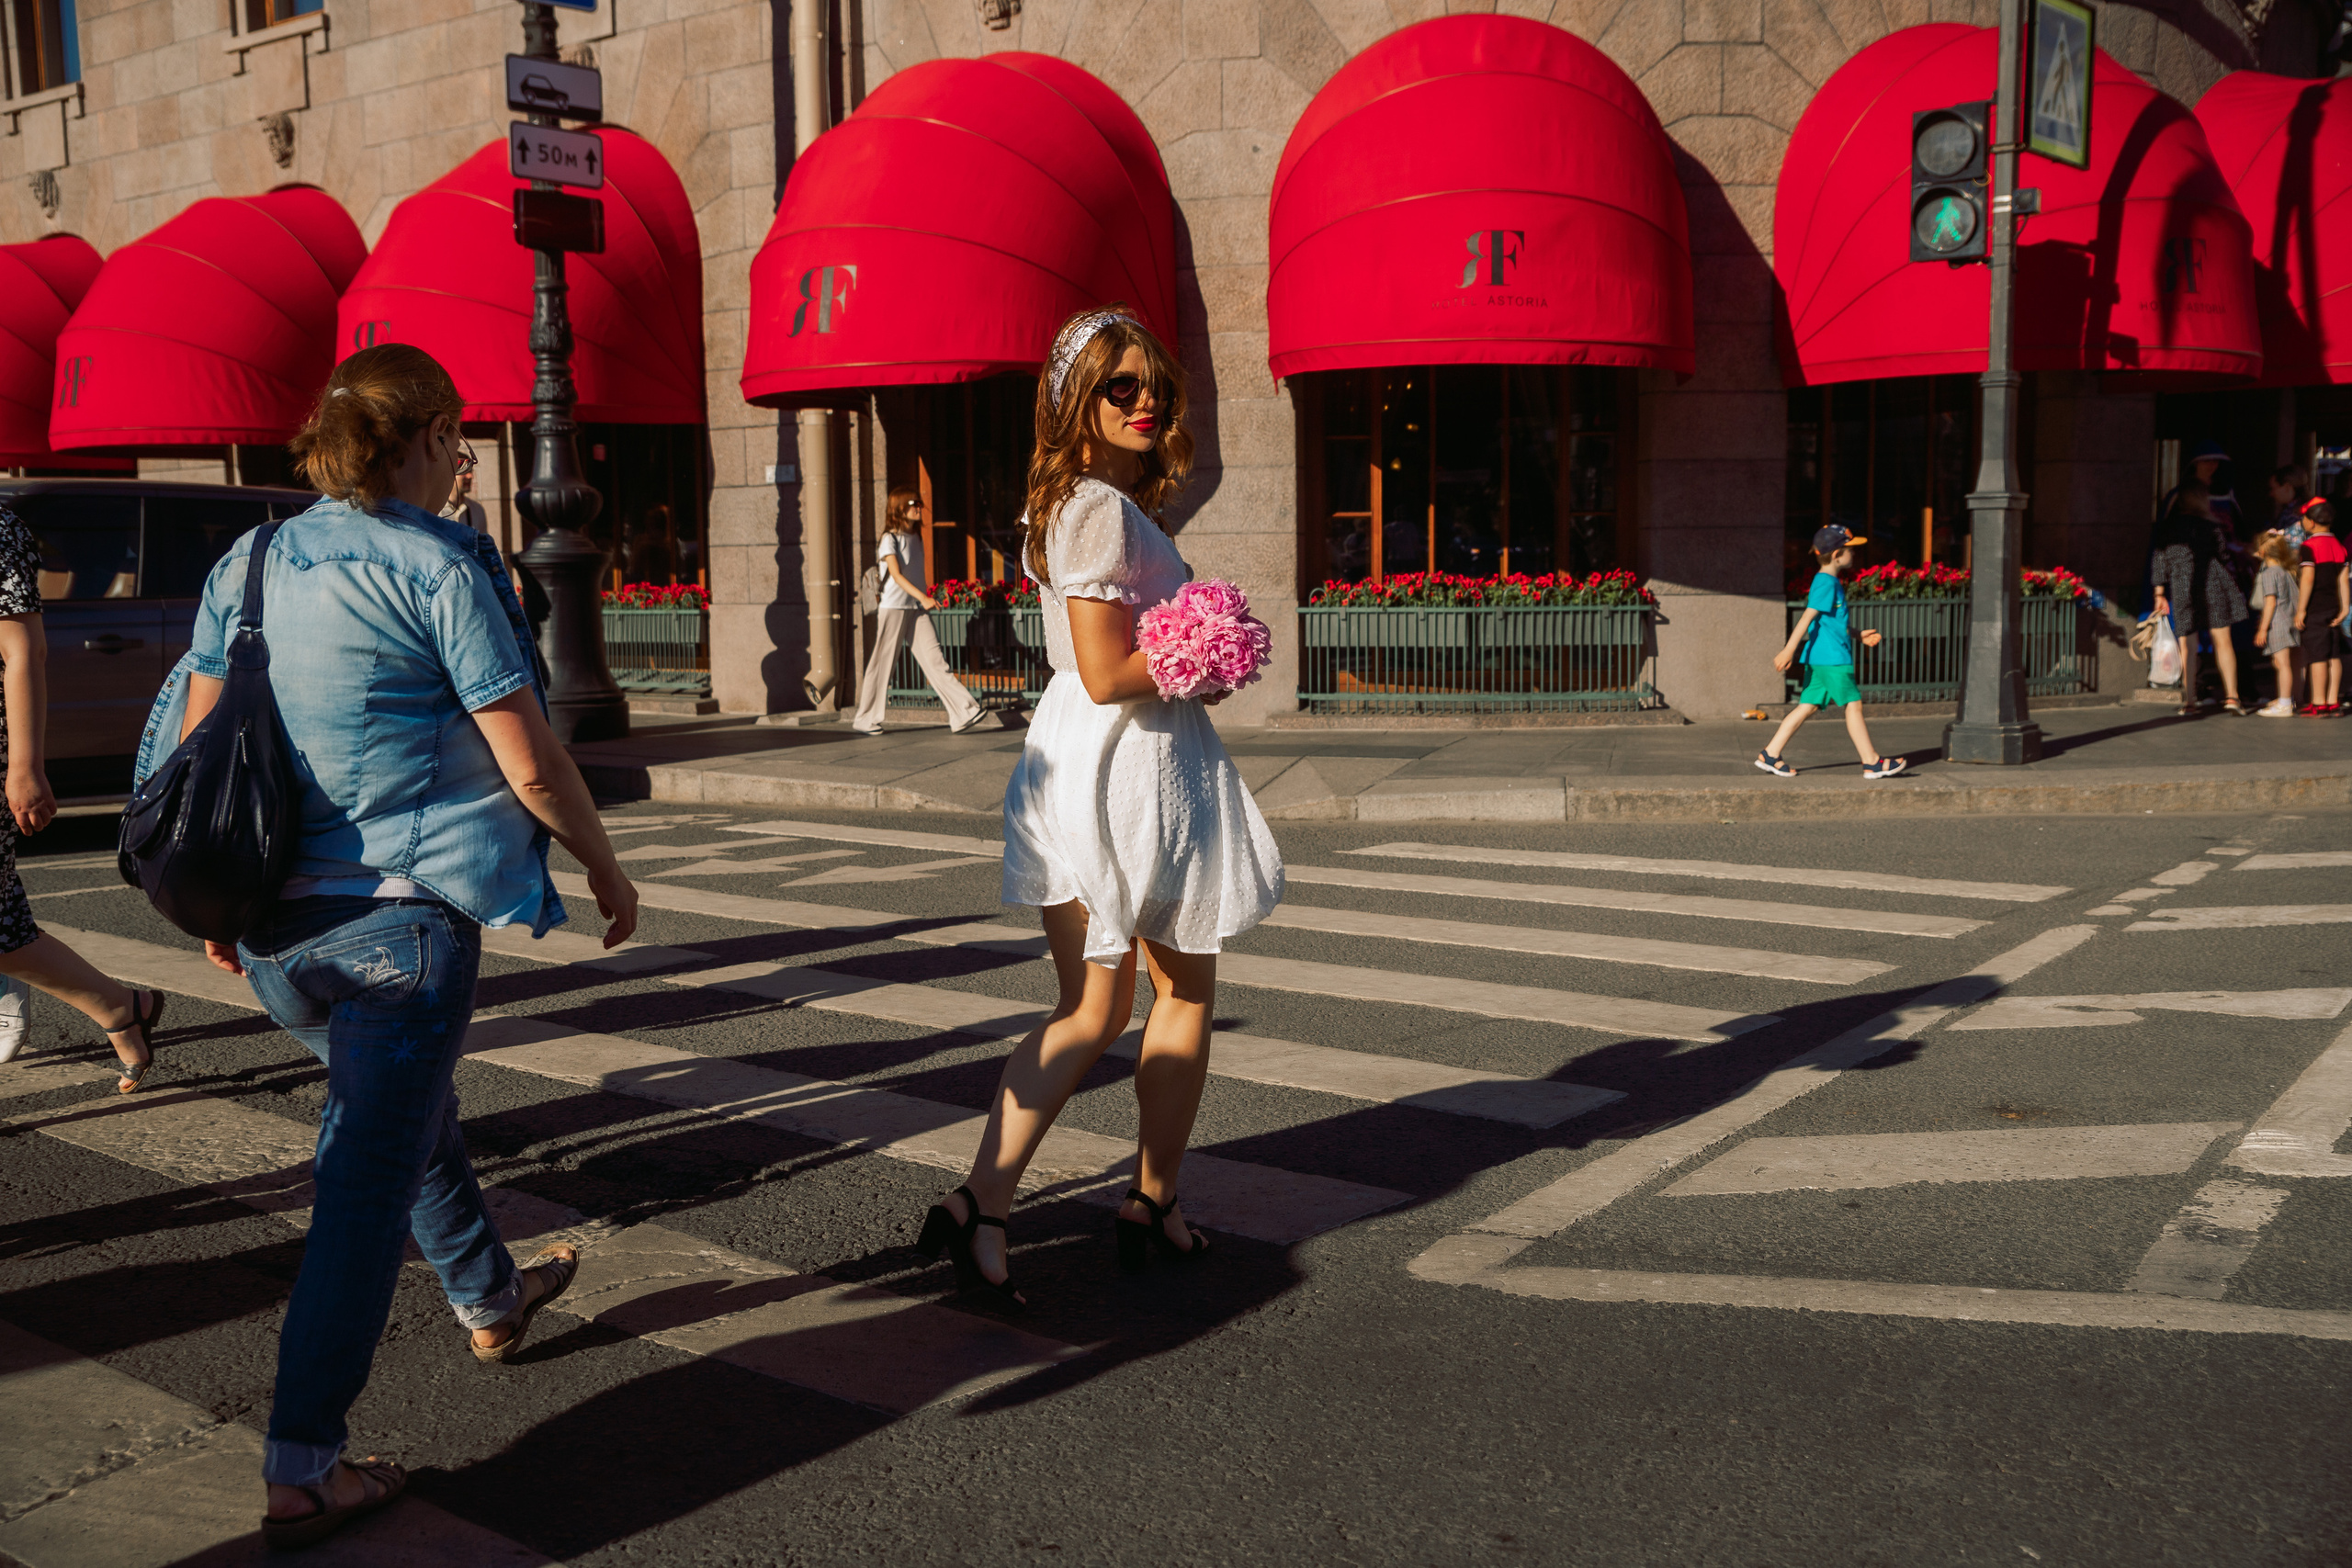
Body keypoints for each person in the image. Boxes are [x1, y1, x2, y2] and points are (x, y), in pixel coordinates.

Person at [167, 344, 640, 1550]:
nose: (462, 459)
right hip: (402, 931)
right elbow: (531, 754)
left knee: (401, 1118)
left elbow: (201, 742)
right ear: (426, 435)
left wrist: (220, 911)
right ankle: (302, 1462)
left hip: (276, 934)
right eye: (459, 437)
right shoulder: (438, 566)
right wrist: (600, 861)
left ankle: (490, 1292)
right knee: (363, 1188)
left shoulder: (255, 556)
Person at [916, 307, 1283, 1306]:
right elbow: (1106, 667)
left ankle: (990, 1205)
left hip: (1093, 754)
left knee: (1101, 1002)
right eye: (1120, 387)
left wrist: (1194, 660)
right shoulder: (1096, 510)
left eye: (1154, 386)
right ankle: (1140, 1202)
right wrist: (1206, 654)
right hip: (1127, 762)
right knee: (1164, 996)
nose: (1145, 401)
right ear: (1076, 403)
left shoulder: (1091, 504)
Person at [0, 501, 167, 1085]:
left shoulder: (0, 526)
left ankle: (119, 1007)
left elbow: (23, 650)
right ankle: (121, 1007)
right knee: (5, 924)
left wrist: (24, 764)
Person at [1756, 525, 1907, 780]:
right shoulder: (1826, 583)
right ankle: (1872, 763)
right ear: (1837, 555)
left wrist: (1858, 634)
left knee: (1807, 706)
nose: (1854, 554)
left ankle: (1770, 754)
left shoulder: (1827, 581)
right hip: (1831, 658)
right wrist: (1788, 650)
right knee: (1853, 704)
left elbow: (1829, 622)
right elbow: (1807, 617)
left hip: (1822, 657)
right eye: (1850, 549)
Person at [849, 485, 989, 736]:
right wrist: (923, 597)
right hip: (894, 607)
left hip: (914, 607)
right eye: (913, 504)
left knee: (935, 660)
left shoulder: (915, 538)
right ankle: (865, 718)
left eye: (918, 504)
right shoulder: (888, 539)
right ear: (899, 508)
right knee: (882, 664)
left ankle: (962, 712)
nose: (918, 508)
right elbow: (895, 575)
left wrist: (921, 600)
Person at [2150, 483, 2250, 715]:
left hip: (2182, 584)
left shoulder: (2168, 528)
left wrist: (2159, 593)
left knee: (2188, 644)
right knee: (2223, 640)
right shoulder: (2211, 525)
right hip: (2214, 581)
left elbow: (2159, 560)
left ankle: (2189, 700)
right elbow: (2223, 554)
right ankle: (2232, 697)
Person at [2296, 499, 2348, 716]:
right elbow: (2343, 580)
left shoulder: (2309, 547)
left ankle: (2318, 702)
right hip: (2334, 608)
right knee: (2333, 655)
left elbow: (2307, 578)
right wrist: (2345, 607)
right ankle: (2332, 699)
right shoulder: (2339, 546)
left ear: (2311, 522)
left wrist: (2301, 609)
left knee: (2317, 655)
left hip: (2315, 608)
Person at [2251, 530, 2303, 716]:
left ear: (2262, 552)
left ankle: (2284, 703)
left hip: (2278, 622)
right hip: (2291, 619)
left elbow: (2270, 602)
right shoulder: (2288, 571)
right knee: (2292, 663)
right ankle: (2293, 698)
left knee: (2282, 664)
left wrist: (2262, 629)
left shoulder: (2269, 573)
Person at [438, 438, 487, 533]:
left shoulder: (477, 510)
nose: (470, 476)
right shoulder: (435, 509)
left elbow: (482, 545)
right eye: (464, 471)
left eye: (471, 471)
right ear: (449, 474)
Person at [2269, 465, 2312, 548]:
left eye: (2273, 488)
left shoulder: (2294, 515)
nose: (2271, 494)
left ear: (2287, 487)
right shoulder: (2307, 509)